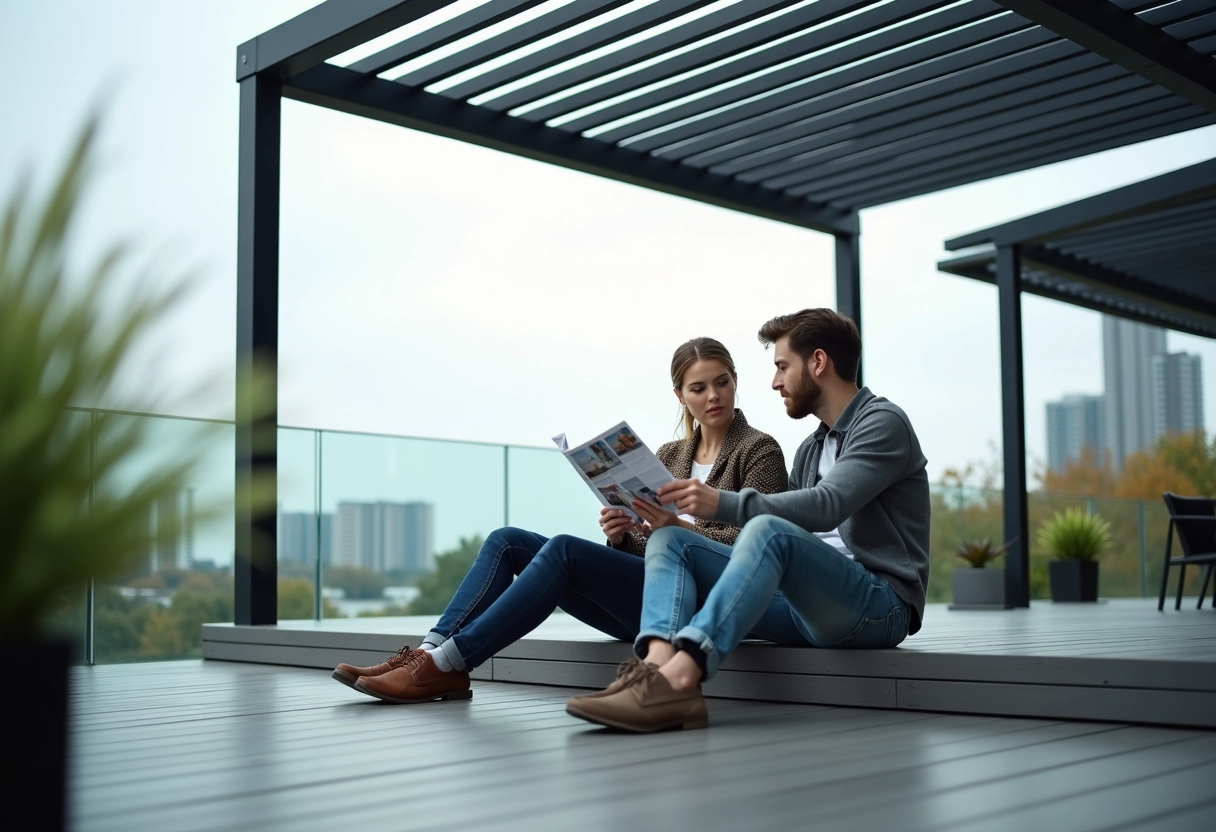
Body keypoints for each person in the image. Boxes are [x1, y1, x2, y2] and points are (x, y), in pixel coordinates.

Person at [332, 337, 788, 704]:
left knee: (565, 551)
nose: (713, 396)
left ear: (735, 382)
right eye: (698, 388)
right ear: (679, 396)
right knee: (506, 539)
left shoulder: (758, 450)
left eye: (722, 382)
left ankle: (448, 664)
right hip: (651, 594)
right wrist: (623, 533)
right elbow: (648, 544)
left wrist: (679, 529)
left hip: (704, 602)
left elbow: (758, 549)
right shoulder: (670, 455)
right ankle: (428, 653)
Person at [567, 309, 930, 733]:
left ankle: (682, 680)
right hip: (805, 606)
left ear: (817, 362)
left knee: (767, 530)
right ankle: (655, 670)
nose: (775, 381)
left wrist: (718, 502)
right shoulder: (810, 451)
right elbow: (796, 538)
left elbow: (827, 505)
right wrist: (661, 526)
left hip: (878, 606)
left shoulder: (882, 423)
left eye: (781, 366)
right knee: (671, 541)